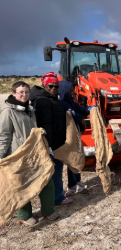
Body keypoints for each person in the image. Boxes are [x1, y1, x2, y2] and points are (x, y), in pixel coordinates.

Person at [0, 81, 59, 225]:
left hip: (34, 154)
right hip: (18, 156)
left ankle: (48, 212)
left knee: (46, 181)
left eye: (26, 92)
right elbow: (4, 135)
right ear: (14, 93)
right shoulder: (8, 111)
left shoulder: (30, 109)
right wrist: (1, 156)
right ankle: (24, 216)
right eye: (21, 92)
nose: (24, 95)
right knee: (21, 186)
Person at [30, 72, 73, 206]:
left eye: (56, 86)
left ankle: (56, 194)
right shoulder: (43, 101)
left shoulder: (51, 98)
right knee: (55, 170)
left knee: (56, 170)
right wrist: (48, 146)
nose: (54, 88)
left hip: (57, 141)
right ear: (44, 85)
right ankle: (57, 198)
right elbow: (45, 125)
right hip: (52, 143)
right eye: (51, 85)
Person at [58, 80, 95, 193]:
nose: (73, 91)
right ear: (65, 90)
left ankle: (78, 180)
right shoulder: (62, 103)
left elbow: (80, 110)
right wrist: (81, 117)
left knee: (78, 156)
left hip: (77, 133)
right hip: (69, 135)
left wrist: (90, 109)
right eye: (70, 90)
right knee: (73, 158)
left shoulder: (71, 101)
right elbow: (74, 116)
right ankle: (72, 184)